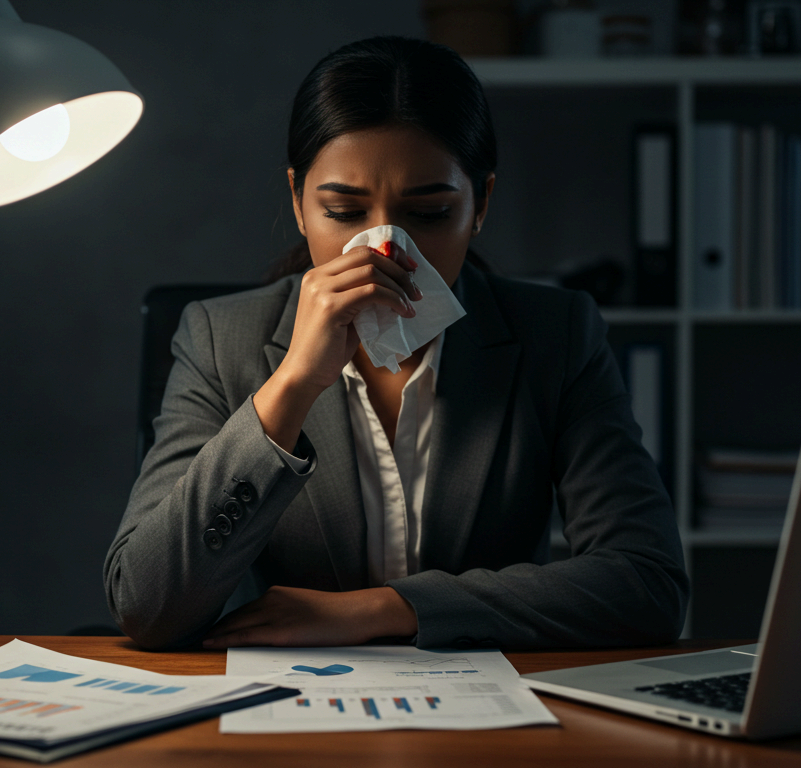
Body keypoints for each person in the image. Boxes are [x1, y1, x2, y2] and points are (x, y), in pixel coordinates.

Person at [104, 36, 687, 651]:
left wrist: (387, 609)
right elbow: (146, 605)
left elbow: (648, 583)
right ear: (299, 203)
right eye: (343, 212)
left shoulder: (557, 334)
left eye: (429, 214)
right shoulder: (221, 339)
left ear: (480, 205)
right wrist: (293, 384)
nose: (386, 251)